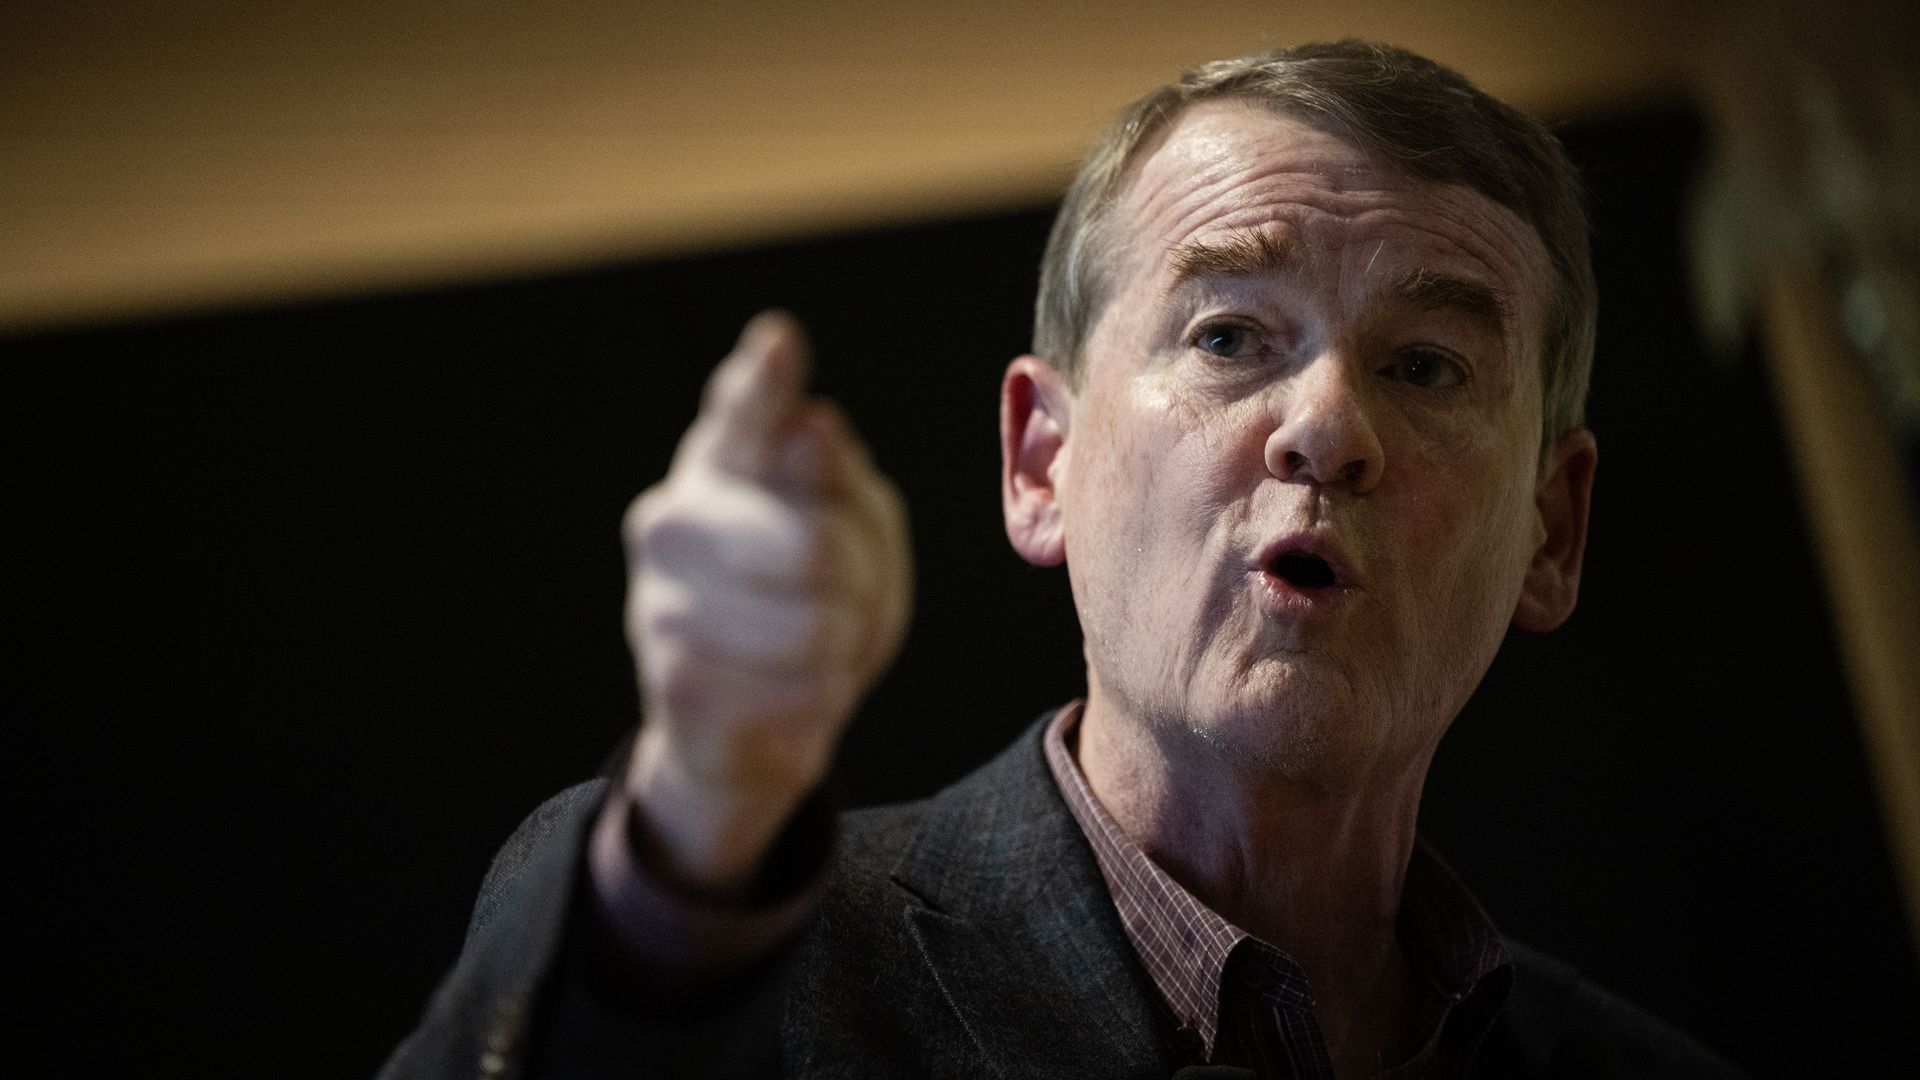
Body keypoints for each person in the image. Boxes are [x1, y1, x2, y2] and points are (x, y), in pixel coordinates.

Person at [383, 42, 1746, 1079]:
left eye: (1427, 365)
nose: (1330, 428)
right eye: (1228, 336)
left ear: (1551, 533)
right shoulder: (743, 960)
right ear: (1041, 463)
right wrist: (692, 832)